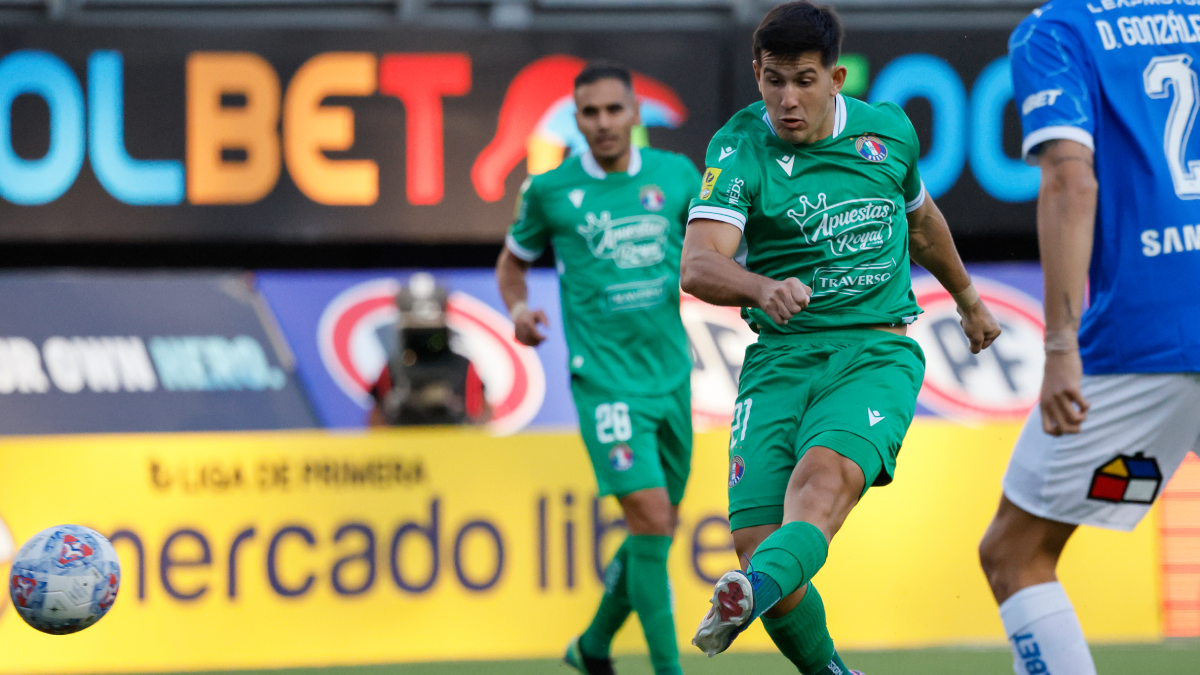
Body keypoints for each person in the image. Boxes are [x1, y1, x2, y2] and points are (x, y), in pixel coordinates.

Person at [680, 3, 1001, 673]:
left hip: (872, 351)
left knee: (821, 484)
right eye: (773, 81)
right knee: (757, 541)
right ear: (755, 74)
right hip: (777, 357)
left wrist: (968, 298)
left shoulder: (887, 135)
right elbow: (699, 264)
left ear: (836, 75)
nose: (787, 100)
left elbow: (923, 223)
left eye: (803, 80)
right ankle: (807, 644)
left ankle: (748, 595)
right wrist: (758, 285)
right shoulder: (739, 147)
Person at [978, 2, 1200, 673]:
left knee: (1014, 552)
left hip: (1147, 331)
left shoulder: (1057, 30)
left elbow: (1071, 177)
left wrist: (1059, 344)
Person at [494, 61, 701, 675]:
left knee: (656, 530)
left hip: (670, 374)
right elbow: (511, 264)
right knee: (649, 515)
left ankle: (591, 648)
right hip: (604, 380)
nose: (604, 123)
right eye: (590, 112)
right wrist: (519, 310)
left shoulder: (678, 176)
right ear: (575, 120)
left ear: (636, 114)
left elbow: (718, 246)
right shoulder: (549, 191)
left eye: (615, 110)